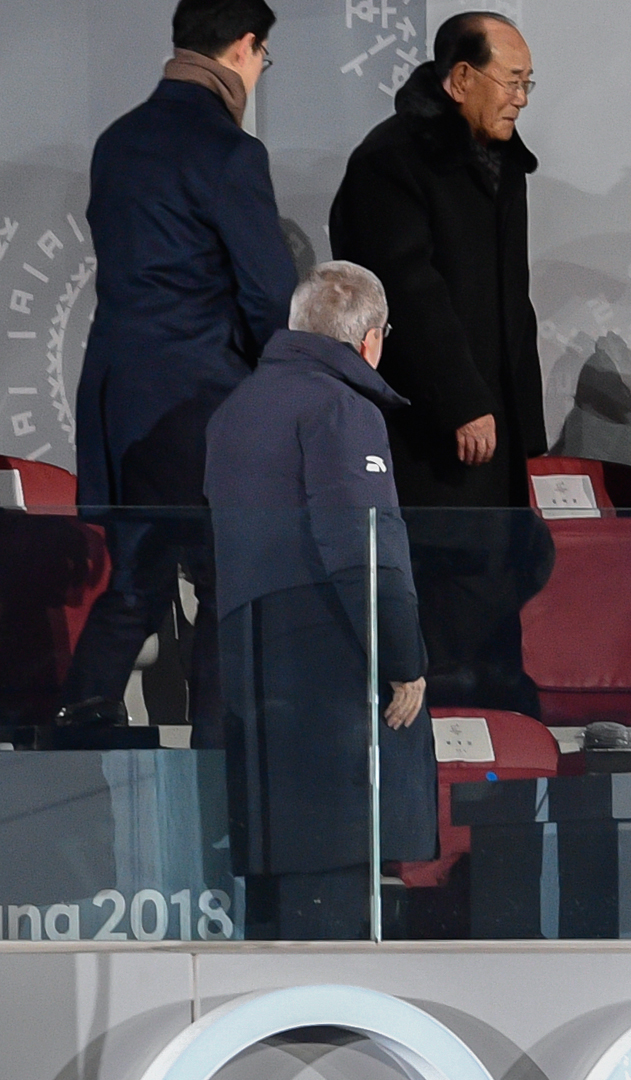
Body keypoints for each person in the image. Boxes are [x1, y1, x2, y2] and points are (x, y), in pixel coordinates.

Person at [69, 0, 298, 745]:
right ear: (243, 47)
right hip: (200, 405)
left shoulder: (118, 142)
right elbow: (267, 292)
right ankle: (221, 786)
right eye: (264, 55)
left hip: (119, 401)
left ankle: (80, 749)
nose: (261, 71)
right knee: (231, 588)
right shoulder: (230, 153)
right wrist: (288, 388)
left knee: (134, 580)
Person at [204, 262, 436, 939]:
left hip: (252, 668)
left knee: (275, 908)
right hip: (331, 679)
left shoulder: (235, 408)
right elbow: (364, 546)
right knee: (333, 896)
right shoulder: (341, 407)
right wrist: (404, 657)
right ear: (369, 340)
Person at [330, 12, 551, 714]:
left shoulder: (499, 161)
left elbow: (511, 303)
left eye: (528, 84)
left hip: (496, 430)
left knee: (495, 603)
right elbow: (409, 293)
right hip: (434, 435)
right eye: (510, 81)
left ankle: (503, 778)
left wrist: (525, 424)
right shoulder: (391, 162)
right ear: (460, 79)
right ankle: (441, 782)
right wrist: (461, 399)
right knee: (448, 610)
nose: (520, 98)